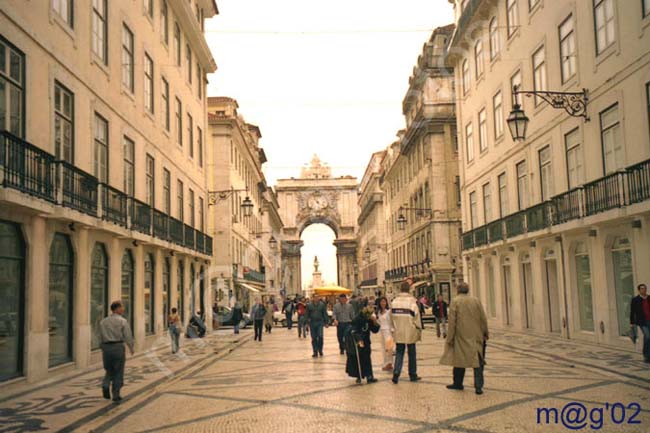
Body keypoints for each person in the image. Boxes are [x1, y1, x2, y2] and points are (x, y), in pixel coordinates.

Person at [440, 282, 489, 395]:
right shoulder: (476, 300)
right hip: (476, 335)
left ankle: (458, 383)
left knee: (459, 359)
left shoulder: (455, 301)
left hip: (461, 335)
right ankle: (478, 386)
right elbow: (483, 318)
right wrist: (485, 332)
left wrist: (450, 337)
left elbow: (452, 321)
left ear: (457, 290)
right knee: (478, 361)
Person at [98, 301, 134, 402]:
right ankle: (116, 394)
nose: (123, 309)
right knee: (118, 370)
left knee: (109, 369)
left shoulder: (103, 321)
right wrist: (131, 347)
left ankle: (105, 385)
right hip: (117, 347)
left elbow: (100, 335)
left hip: (106, 348)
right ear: (117, 309)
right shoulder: (122, 321)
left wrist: (102, 346)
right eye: (122, 307)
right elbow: (128, 335)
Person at [390, 281, 422, 384]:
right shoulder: (412, 302)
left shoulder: (394, 302)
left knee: (399, 352)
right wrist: (418, 328)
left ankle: (396, 372)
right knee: (412, 353)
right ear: (409, 290)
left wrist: (394, 328)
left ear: (400, 289)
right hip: (410, 330)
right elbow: (416, 317)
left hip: (399, 330)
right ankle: (412, 374)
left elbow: (391, 317)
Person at [345, 307, 380, 384]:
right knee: (358, 358)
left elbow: (375, 330)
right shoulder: (358, 319)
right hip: (358, 341)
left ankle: (369, 376)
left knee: (367, 358)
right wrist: (359, 339)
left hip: (366, 342)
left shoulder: (369, 319)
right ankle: (359, 375)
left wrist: (375, 322)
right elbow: (354, 329)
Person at [630, 283, 650, 362]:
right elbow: (632, 311)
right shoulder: (635, 299)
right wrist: (631, 323)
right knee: (648, 336)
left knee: (648, 338)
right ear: (639, 290)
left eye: (645, 288)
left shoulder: (649, 298)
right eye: (642, 288)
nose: (644, 290)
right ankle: (646, 355)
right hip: (642, 321)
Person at [376, 296, 394, 371]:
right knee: (383, 348)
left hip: (388, 331)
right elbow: (378, 322)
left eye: (384, 301)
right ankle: (386, 363)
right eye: (381, 302)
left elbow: (392, 321)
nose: (383, 303)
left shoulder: (389, 312)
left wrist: (392, 330)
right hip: (382, 331)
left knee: (389, 348)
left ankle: (390, 363)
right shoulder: (379, 313)